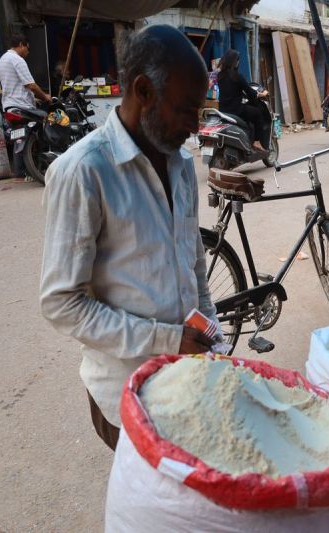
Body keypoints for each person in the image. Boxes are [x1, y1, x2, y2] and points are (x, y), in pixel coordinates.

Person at [40, 25, 222, 451]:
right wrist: (168, 340)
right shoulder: (84, 171)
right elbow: (60, 303)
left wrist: (212, 340)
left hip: (185, 381)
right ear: (143, 91)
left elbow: (193, 266)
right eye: (186, 110)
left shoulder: (180, 164)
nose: (195, 127)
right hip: (127, 396)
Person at [0, 34, 51, 181]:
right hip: (23, 106)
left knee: (20, 137)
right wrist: (44, 97)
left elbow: (14, 85)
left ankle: (19, 174)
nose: (28, 52)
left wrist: (33, 98)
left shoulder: (2, 59)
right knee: (46, 121)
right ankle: (45, 164)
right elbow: (31, 85)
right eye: (27, 49)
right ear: (21, 44)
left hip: (10, 105)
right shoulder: (17, 60)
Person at [217, 49, 270, 151]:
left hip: (223, 110)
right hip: (236, 110)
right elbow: (250, 92)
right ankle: (257, 142)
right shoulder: (237, 76)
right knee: (258, 113)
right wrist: (262, 94)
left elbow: (230, 90)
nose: (238, 62)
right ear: (234, 62)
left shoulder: (220, 76)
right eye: (237, 60)